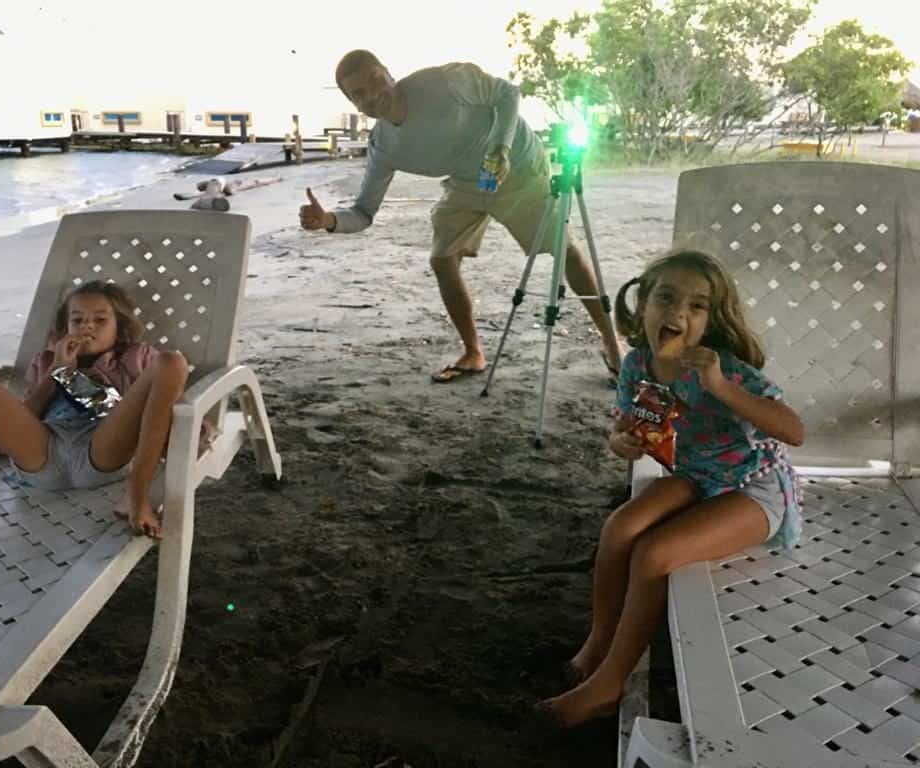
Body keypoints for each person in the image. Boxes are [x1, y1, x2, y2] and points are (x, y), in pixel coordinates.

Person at [541, 249, 805, 726]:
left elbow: (794, 431)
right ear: (643, 305)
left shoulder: (725, 371)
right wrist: (621, 441)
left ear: (710, 322)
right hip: (694, 476)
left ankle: (609, 683)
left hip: (753, 487)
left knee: (654, 553)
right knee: (620, 528)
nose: (679, 312)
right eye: (666, 296)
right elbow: (629, 430)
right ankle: (600, 639)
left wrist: (721, 387)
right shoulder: (638, 365)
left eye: (698, 305)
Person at [298, 49, 623, 384]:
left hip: (518, 166)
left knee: (563, 249)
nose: (373, 95)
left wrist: (501, 147)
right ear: (354, 104)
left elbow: (507, 93)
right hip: (469, 182)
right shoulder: (383, 145)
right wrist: (328, 221)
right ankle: (473, 352)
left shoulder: (444, 82)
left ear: (388, 72)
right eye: (359, 94)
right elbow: (363, 213)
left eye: (375, 80)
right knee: (442, 259)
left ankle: (613, 345)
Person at [0, 280, 190, 538]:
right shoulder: (47, 360)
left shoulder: (136, 357)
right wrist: (59, 371)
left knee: (172, 362)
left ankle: (136, 497)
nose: (87, 326)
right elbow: (28, 416)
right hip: (41, 455)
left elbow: (143, 407)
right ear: (65, 329)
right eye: (78, 320)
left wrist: (80, 381)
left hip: (102, 449)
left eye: (100, 320)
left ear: (120, 328)